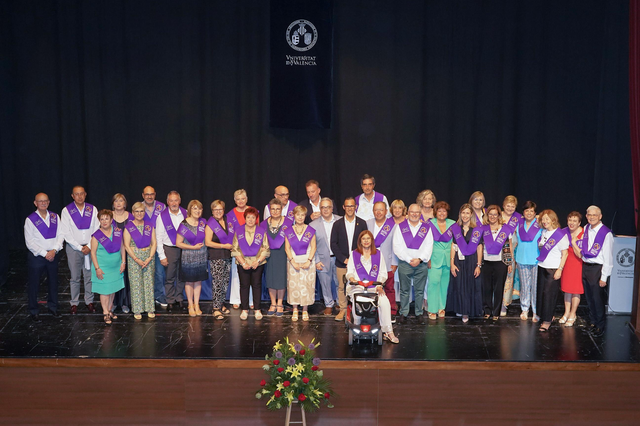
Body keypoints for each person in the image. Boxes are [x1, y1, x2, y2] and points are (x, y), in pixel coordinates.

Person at [346, 230, 399, 343]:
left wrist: (379, 285)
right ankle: (357, 326)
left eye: (368, 238)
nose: (366, 241)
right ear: (360, 241)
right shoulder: (354, 254)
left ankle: (388, 331)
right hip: (357, 286)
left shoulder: (378, 254)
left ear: (371, 240)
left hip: (374, 287)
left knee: (384, 301)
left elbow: (383, 273)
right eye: (363, 239)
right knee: (357, 300)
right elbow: (349, 272)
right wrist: (352, 279)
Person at [24, 193, 64, 321]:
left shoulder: (55, 217)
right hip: (37, 256)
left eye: (45, 201)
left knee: (53, 282)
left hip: (53, 254)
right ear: (35, 203)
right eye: (40, 201)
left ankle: (53, 307)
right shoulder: (30, 220)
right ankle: (33, 309)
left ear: (49, 202)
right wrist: (44, 253)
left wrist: (54, 250)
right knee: (34, 284)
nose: (43, 203)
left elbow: (61, 235)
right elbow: (29, 242)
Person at [575, 205, 613, 337]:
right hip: (586, 266)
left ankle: (600, 325)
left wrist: (604, 277)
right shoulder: (586, 228)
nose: (591, 217)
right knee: (589, 298)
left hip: (598, 268)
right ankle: (593, 322)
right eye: (589, 215)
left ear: (600, 216)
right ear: (586, 216)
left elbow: (608, 257)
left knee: (597, 299)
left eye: (594, 215)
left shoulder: (605, 233)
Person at [392, 203, 434, 324]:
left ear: (420, 214)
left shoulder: (426, 228)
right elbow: (397, 246)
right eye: (412, 212)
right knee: (404, 290)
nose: (414, 214)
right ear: (407, 213)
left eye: (417, 212)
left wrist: (419, 259)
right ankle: (404, 313)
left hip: (421, 264)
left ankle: (419, 313)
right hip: (405, 263)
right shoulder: (400, 227)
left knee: (419, 290)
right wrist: (409, 259)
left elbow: (429, 246)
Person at [60, 186, 99, 314]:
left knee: (89, 276)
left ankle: (89, 301)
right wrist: (79, 247)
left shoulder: (92, 209)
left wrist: (89, 245)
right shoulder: (66, 211)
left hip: (90, 247)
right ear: (72, 196)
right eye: (77, 194)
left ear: (85, 194)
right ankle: (74, 303)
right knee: (75, 277)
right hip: (74, 248)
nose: (80, 196)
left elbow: (97, 229)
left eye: (82, 193)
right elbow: (66, 232)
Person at [330, 198, 368, 321]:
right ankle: (342, 310)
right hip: (342, 262)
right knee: (341, 287)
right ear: (343, 207)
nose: (350, 208)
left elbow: (365, 243)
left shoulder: (362, 223)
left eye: (352, 206)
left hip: (358, 263)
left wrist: (356, 259)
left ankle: (358, 310)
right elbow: (333, 244)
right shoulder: (337, 224)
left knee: (358, 287)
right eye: (348, 206)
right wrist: (344, 259)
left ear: (355, 207)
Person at [231, 207, 270, 320]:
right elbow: (235, 249)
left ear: (256, 219)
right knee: (244, 286)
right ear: (245, 218)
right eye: (248, 217)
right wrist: (243, 263)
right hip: (242, 263)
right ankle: (244, 309)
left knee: (257, 286)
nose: (251, 220)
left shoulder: (261, 231)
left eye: (253, 217)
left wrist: (257, 261)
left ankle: (257, 309)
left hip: (258, 263)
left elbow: (266, 249)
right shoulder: (239, 231)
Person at [449, 204, 484, 323]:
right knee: (459, 286)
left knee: (470, 286)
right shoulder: (456, 228)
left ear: (471, 215)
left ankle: (468, 311)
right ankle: (461, 309)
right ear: (460, 214)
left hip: (472, 260)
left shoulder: (477, 230)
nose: (465, 215)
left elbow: (479, 248)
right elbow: (453, 246)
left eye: (467, 213)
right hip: (459, 261)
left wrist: (478, 265)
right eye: (463, 213)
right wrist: (452, 263)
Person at [536, 209, 569, 332]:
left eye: (547, 219)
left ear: (553, 220)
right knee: (542, 293)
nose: (545, 221)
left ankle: (547, 321)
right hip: (542, 266)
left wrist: (559, 269)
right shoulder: (543, 232)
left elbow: (565, 254)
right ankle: (546, 315)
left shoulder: (560, 235)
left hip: (553, 268)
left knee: (550, 295)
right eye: (543, 219)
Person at [90, 210, 125, 325]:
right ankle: (105, 312)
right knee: (105, 291)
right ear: (99, 220)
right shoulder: (96, 235)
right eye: (102, 219)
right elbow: (93, 253)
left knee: (112, 290)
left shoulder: (117, 232)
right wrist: (97, 268)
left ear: (111, 220)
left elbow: (122, 247)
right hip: (103, 268)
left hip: (116, 267)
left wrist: (123, 262)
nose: (104, 221)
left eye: (107, 219)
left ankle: (110, 310)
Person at [123, 202, 157, 320]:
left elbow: (154, 243)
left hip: (148, 257)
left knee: (148, 283)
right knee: (136, 284)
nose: (139, 213)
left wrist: (149, 258)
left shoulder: (149, 225)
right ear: (133, 213)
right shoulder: (129, 227)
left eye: (141, 211)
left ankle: (149, 308)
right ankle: (137, 309)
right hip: (134, 258)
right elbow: (126, 246)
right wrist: (137, 259)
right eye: (136, 211)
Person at [156, 191, 187, 312]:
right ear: (167, 202)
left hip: (184, 248)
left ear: (179, 201)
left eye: (176, 200)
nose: (174, 203)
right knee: (170, 277)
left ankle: (179, 299)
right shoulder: (162, 216)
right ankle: (170, 300)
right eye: (171, 201)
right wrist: (162, 255)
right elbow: (158, 237)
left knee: (182, 276)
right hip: (169, 249)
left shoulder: (186, 213)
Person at [176, 200, 208, 317]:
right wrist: (192, 247)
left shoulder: (203, 222)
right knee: (189, 281)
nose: (197, 211)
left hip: (201, 256)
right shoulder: (183, 224)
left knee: (198, 280)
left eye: (199, 209)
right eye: (194, 208)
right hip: (188, 256)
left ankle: (197, 304)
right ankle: (190, 304)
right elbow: (178, 243)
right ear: (190, 210)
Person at [366, 201, 398, 319]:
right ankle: (372, 311)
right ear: (373, 211)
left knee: (389, 288)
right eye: (376, 210)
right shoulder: (368, 224)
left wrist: (395, 262)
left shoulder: (393, 225)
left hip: (388, 262)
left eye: (381, 210)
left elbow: (395, 245)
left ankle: (391, 312)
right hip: (370, 263)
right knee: (372, 287)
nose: (378, 212)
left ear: (386, 211)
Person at [284, 205, 317, 321]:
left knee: (307, 286)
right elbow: (287, 248)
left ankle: (305, 310)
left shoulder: (310, 230)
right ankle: (295, 309)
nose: (300, 217)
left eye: (302, 215)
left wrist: (309, 261)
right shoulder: (289, 231)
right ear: (294, 215)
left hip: (308, 262)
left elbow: (313, 246)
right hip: (293, 261)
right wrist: (292, 261)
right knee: (294, 286)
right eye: (298, 214)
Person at [310, 197, 341, 315]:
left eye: (328, 207)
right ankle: (328, 304)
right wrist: (316, 260)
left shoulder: (341, 221)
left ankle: (340, 302)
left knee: (340, 282)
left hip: (338, 258)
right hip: (322, 259)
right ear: (320, 209)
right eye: (323, 207)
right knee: (325, 283)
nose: (326, 210)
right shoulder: (313, 225)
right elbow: (312, 245)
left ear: (332, 208)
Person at [481, 205, 514, 320]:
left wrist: (510, 262)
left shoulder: (506, 229)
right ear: (487, 215)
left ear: (499, 215)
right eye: (490, 214)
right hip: (486, 261)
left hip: (501, 262)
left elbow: (509, 246)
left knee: (498, 288)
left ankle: (496, 312)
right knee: (486, 287)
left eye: (495, 214)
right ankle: (487, 310)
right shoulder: (483, 229)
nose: (492, 216)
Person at [259, 198, 290, 317]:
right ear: (269, 210)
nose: (275, 211)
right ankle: (273, 303)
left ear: (282, 209)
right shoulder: (263, 223)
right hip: (269, 254)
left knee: (281, 278)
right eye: (273, 209)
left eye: (278, 209)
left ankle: (280, 303)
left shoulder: (288, 222)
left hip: (283, 253)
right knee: (271, 278)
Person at [227, 189, 257, 310]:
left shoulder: (253, 211)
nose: (240, 201)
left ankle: (251, 300)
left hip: (252, 249)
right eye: (238, 199)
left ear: (247, 199)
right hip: (238, 250)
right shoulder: (230, 215)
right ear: (234, 200)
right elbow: (229, 233)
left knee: (252, 276)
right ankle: (236, 299)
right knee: (237, 275)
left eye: (243, 198)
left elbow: (258, 230)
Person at [205, 200, 234, 320]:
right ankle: (215, 308)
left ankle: (221, 304)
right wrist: (223, 246)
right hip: (216, 256)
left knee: (225, 282)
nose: (218, 212)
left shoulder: (228, 221)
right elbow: (207, 242)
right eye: (215, 210)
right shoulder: (210, 224)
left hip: (227, 255)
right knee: (217, 282)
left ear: (224, 210)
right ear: (212, 211)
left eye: (220, 209)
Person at [513, 201, 541, 321]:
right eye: (526, 211)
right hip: (521, 258)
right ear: (523, 213)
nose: (529, 213)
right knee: (524, 286)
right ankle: (525, 309)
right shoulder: (518, 224)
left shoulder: (540, 224)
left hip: (536, 259)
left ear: (535, 213)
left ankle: (535, 311)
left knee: (535, 287)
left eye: (531, 211)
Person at [427, 201, 455, 320]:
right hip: (434, 258)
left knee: (444, 284)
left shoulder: (453, 224)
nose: (442, 213)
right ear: (435, 212)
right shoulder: (429, 224)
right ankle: (432, 309)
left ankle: (441, 307)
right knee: (433, 283)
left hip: (448, 258)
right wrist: (427, 258)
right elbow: (426, 243)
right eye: (439, 211)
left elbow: (455, 242)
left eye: (444, 211)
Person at [142, 186, 167, 307]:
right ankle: (145, 297)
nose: (149, 196)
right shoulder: (138, 208)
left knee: (159, 272)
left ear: (155, 194)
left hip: (158, 244)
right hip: (142, 245)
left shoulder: (162, 207)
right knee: (145, 272)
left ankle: (158, 295)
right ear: (143, 195)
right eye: (147, 194)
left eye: (151, 194)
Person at [559, 211, 584, 327]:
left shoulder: (584, 233)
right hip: (566, 263)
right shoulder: (563, 231)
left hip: (578, 264)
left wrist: (574, 242)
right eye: (570, 220)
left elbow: (580, 254)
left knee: (576, 290)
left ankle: (573, 314)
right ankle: (566, 312)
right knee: (567, 289)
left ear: (579, 223)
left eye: (575, 221)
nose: (572, 223)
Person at [500, 195, 522, 316]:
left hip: (512, 252)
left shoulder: (518, 219)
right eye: (508, 206)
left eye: (512, 206)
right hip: (497, 251)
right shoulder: (498, 216)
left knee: (508, 278)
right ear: (503, 206)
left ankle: (504, 304)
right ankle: (494, 303)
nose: (510, 208)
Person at [112, 193, 133, 314]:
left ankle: (125, 303)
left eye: (121, 201)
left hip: (128, 252)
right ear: (113, 204)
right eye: (116, 201)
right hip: (113, 253)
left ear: (125, 203)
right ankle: (114, 303)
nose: (119, 203)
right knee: (114, 277)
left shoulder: (131, 217)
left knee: (126, 278)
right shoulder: (108, 217)